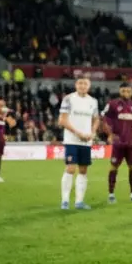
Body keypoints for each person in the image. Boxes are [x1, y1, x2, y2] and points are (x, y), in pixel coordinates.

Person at [58, 77, 100, 211]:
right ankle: (65, 200)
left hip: (86, 141)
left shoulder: (93, 101)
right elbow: (62, 120)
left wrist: (92, 132)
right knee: (71, 168)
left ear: (89, 86)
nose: (82, 86)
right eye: (80, 83)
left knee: (83, 170)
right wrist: (78, 133)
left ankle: (79, 201)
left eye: (85, 83)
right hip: (72, 139)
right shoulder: (68, 99)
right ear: (76, 85)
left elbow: (96, 119)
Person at [103, 83, 132, 204]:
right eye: (123, 91)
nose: (126, 93)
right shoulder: (113, 104)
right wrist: (110, 135)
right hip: (118, 143)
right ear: (120, 91)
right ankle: (111, 194)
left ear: (131, 91)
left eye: (128, 91)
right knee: (113, 167)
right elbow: (105, 120)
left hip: (131, 143)